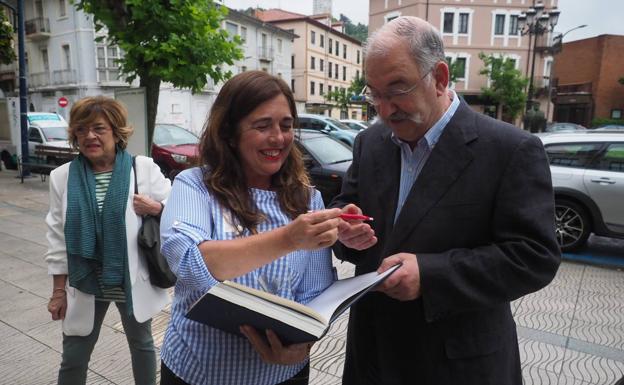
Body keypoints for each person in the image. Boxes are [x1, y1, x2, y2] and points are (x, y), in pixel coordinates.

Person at [331, 16, 561, 385]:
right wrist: (346, 232)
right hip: (372, 354)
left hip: (458, 364)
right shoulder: (370, 143)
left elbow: (535, 256)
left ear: (439, 77)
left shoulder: (510, 149)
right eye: (375, 93)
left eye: (398, 88)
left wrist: (432, 275)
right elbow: (351, 213)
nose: (386, 109)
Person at [159, 70, 342, 385]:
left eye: (286, 126)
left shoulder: (309, 199)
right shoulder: (196, 186)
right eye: (262, 125)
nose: (278, 138)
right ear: (229, 133)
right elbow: (188, 263)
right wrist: (288, 238)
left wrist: (303, 346)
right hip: (198, 373)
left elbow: (317, 291)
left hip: (284, 374)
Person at [45, 96, 171, 385]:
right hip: (85, 280)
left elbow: (179, 210)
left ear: (116, 131)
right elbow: (56, 236)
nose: (90, 136)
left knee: (142, 346)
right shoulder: (61, 177)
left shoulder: (143, 169)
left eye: (99, 128)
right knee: (74, 355)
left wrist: (156, 208)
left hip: (130, 280)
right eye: (81, 129)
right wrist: (57, 291)